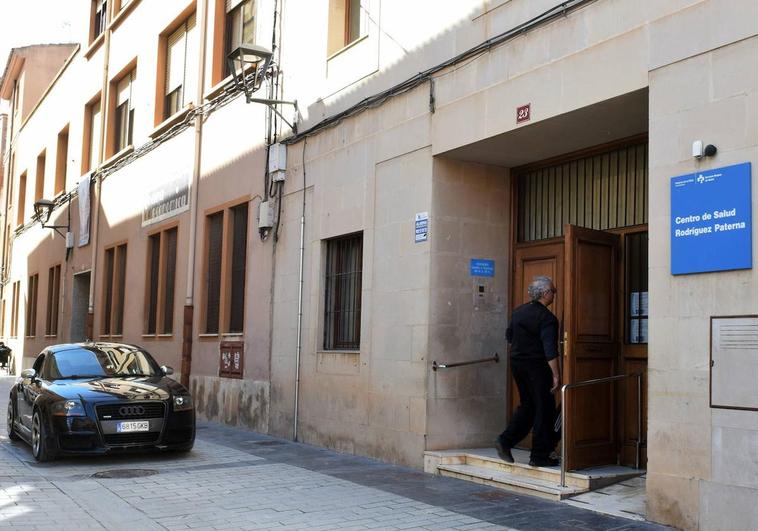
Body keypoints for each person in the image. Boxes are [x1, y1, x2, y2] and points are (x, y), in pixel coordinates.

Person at [495, 276, 561, 467]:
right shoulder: (547, 318)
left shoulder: (518, 312)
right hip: (537, 368)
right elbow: (550, 350)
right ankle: (539, 456)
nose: (554, 295)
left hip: (517, 365)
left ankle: (505, 440)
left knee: (529, 406)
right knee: (544, 408)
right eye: (553, 291)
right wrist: (556, 375)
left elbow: (509, 337)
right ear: (546, 293)